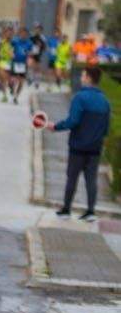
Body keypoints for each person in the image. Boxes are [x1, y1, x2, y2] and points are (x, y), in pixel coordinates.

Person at [49, 66, 112, 222]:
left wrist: (55, 127)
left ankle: (66, 209)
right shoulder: (105, 101)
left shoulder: (80, 97)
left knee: (72, 178)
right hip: (95, 148)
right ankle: (90, 211)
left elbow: (73, 121)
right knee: (91, 180)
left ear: (89, 78)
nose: (81, 78)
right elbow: (106, 128)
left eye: (83, 76)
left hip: (78, 146)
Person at [7, 29, 32, 102]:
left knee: (21, 82)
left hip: (23, 64)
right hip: (15, 62)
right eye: (22, 33)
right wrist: (10, 53)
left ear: (27, 35)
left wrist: (29, 60)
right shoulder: (15, 41)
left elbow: (30, 53)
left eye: (25, 34)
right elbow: (9, 48)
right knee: (12, 80)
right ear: (20, 34)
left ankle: (16, 96)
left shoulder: (29, 43)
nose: (23, 35)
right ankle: (11, 87)